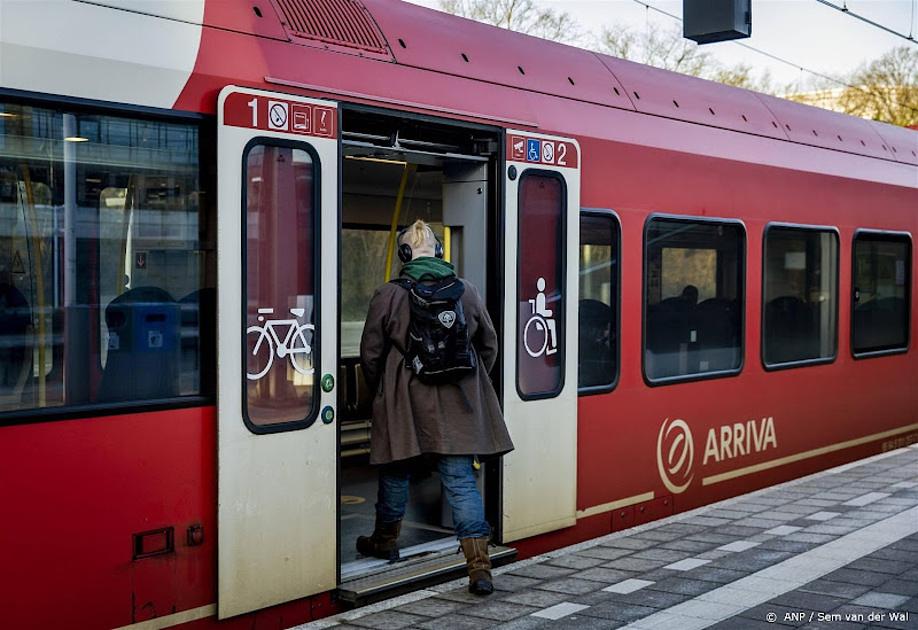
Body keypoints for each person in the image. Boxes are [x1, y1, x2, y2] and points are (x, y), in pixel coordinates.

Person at [357, 219, 514, 595]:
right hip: (457, 402)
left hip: (404, 399)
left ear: (405, 255)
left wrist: (381, 390)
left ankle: (385, 540)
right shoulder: (468, 292)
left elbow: (371, 353)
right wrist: (469, 384)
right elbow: (489, 344)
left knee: (396, 470)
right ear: (440, 253)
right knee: (460, 481)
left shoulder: (388, 295)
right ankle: (479, 568)